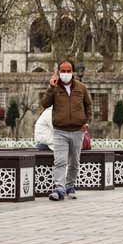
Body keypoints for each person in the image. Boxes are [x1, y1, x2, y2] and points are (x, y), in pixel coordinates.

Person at [41, 60, 91, 201]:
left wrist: (86, 123)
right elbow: (45, 104)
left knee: (74, 161)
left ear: (73, 72)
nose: (66, 73)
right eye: (63, 71)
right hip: (60, 131)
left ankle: (70, 186)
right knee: (60, 161)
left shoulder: (81, 88)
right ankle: (59, 188)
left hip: (77, 130)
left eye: (68, 71)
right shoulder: (55, 88)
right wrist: (51, 87)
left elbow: (88, 105)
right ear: (58, 72)